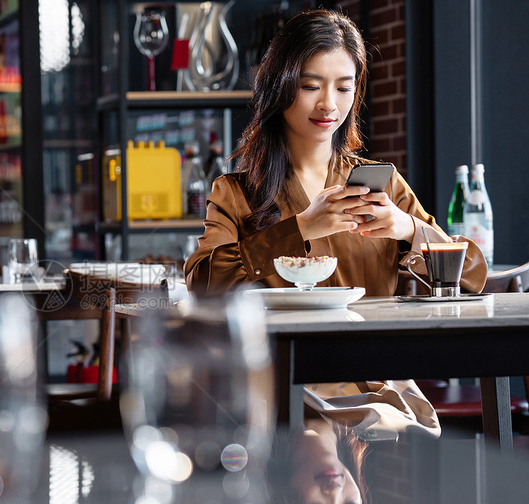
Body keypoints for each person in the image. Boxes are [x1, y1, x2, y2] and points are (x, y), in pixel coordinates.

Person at [183, 9, 488, 440]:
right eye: (310, 86)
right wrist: (300, 228)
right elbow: (201, 282)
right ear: (280, 87)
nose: (329, 105)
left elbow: (473, 274)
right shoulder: (235, 192)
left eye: (344, 87)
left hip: (372, 381)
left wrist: (406, 229)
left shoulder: (381, 184)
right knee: (309, 434)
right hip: (279, 383)